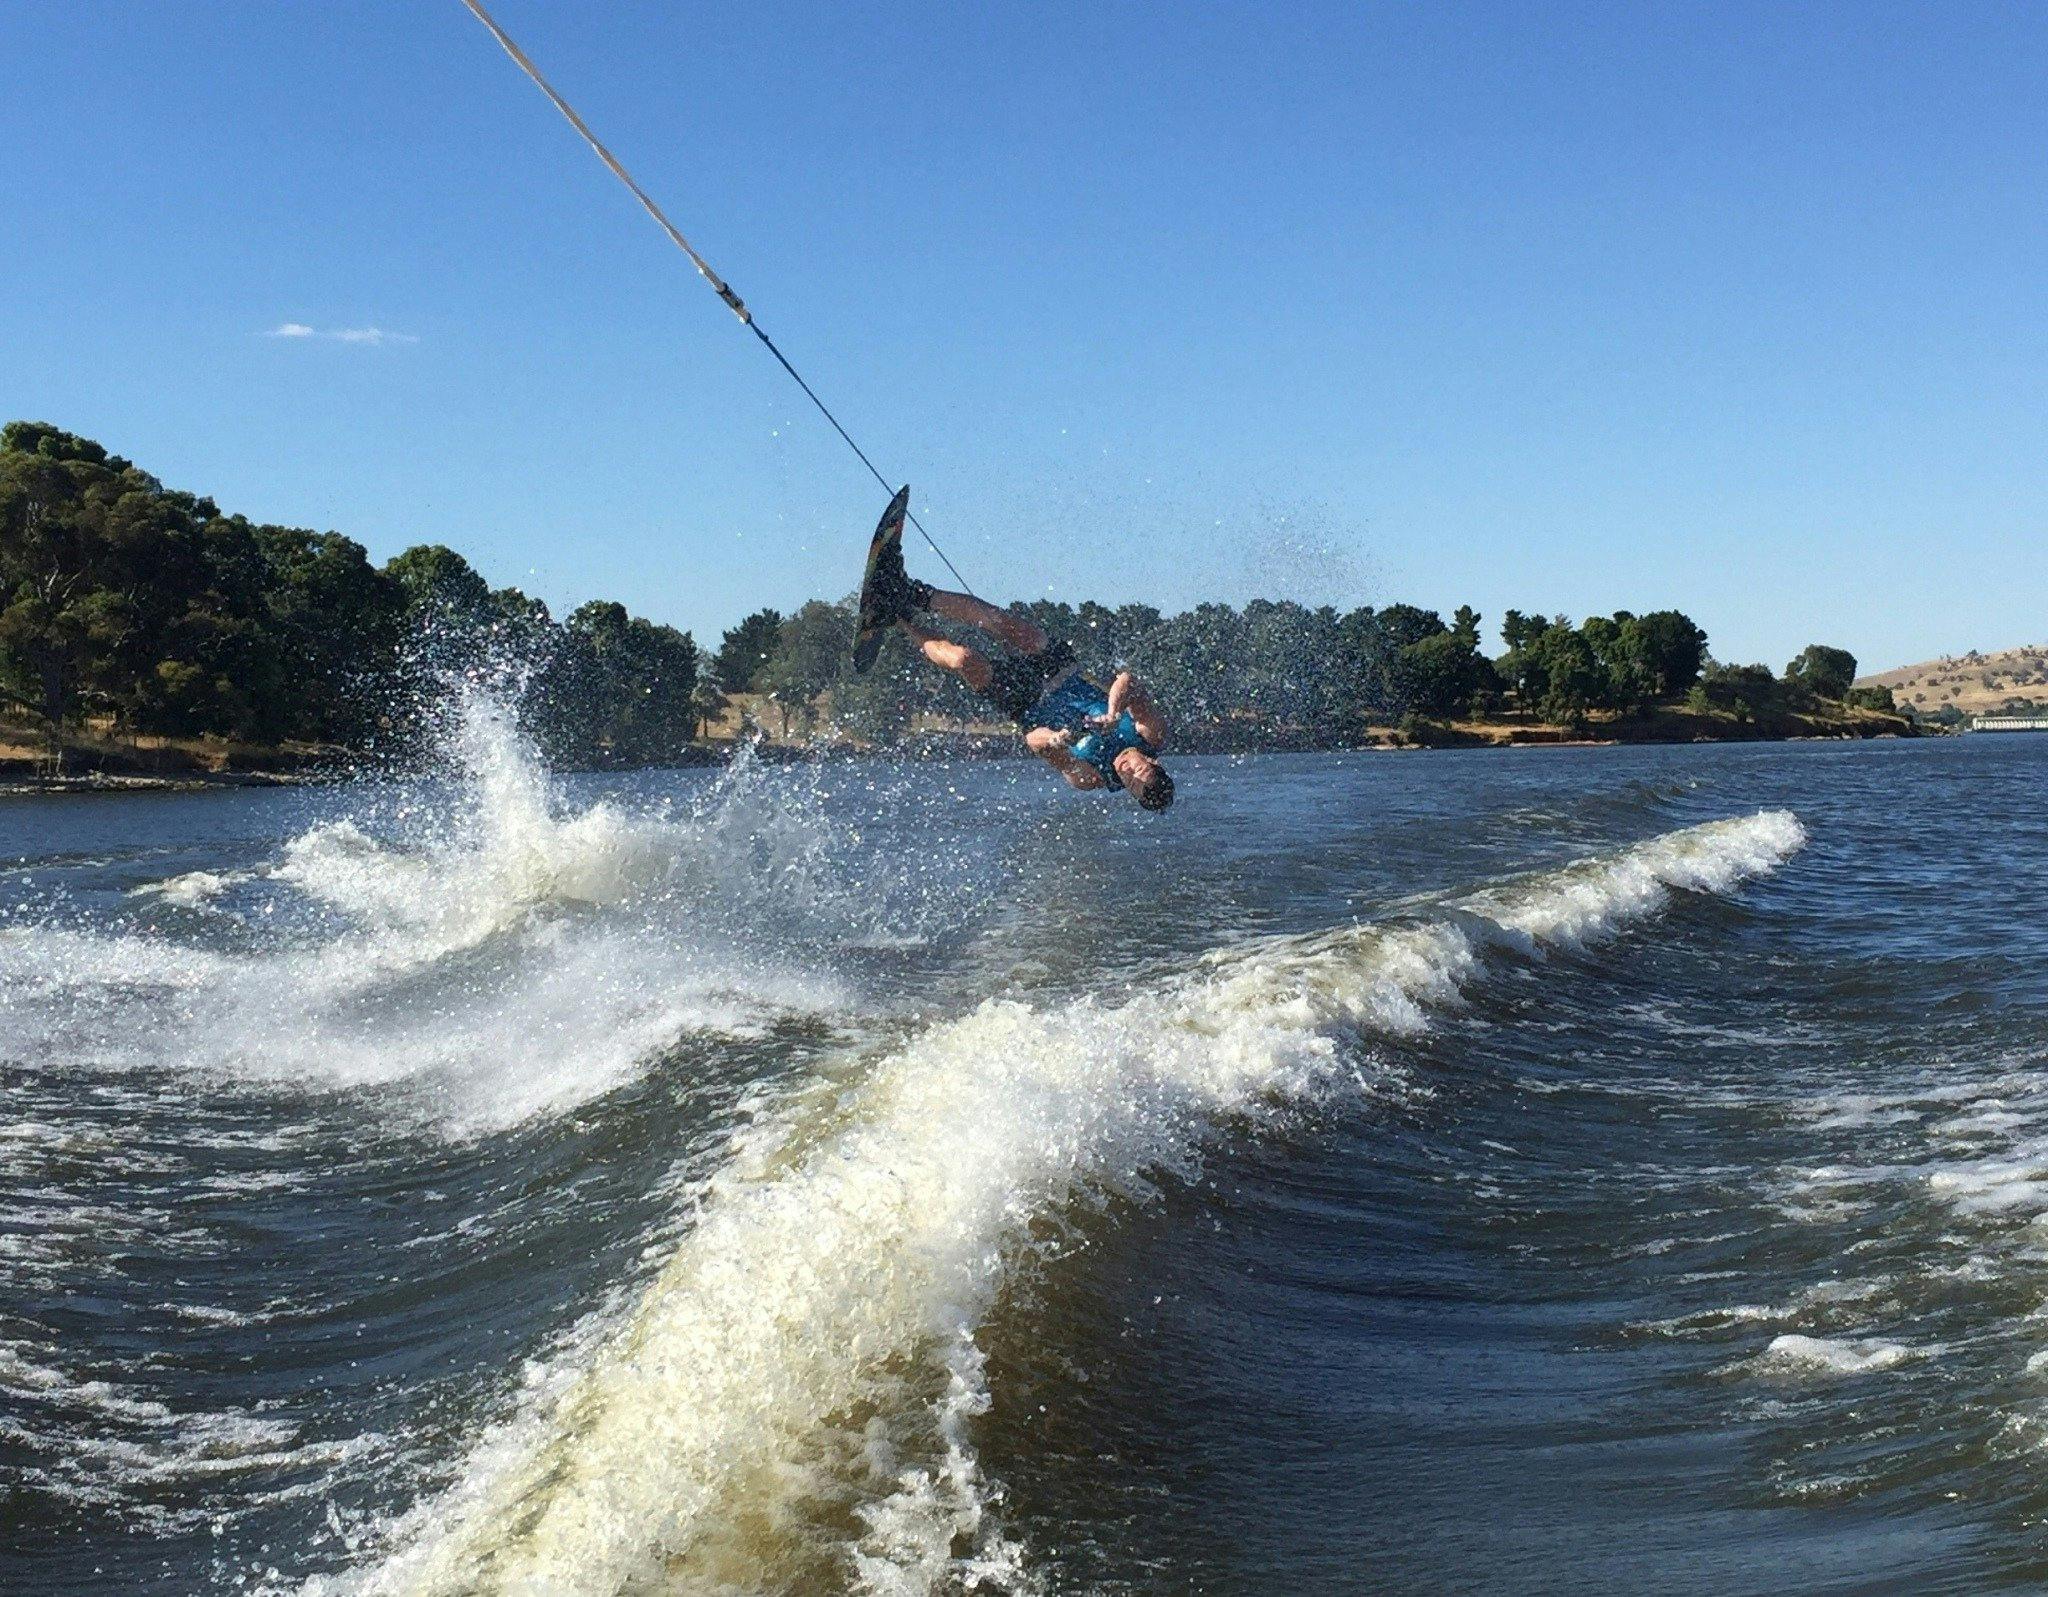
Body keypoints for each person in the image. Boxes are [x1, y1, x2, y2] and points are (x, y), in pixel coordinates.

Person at [866, 553, 1175, 810]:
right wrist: (1114, 713)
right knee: (1003, 624)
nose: (1126, 771)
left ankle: (898, 617)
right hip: (1060, 672)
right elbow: (1128, 682)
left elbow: (1032, 741)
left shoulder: (1089, 777)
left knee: (963, 660)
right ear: (1153, 762)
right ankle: (912, 593)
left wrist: (1057, 739)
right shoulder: (1151, 735)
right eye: (1138, 770)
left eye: (1129, 783)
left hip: (1025, 702)